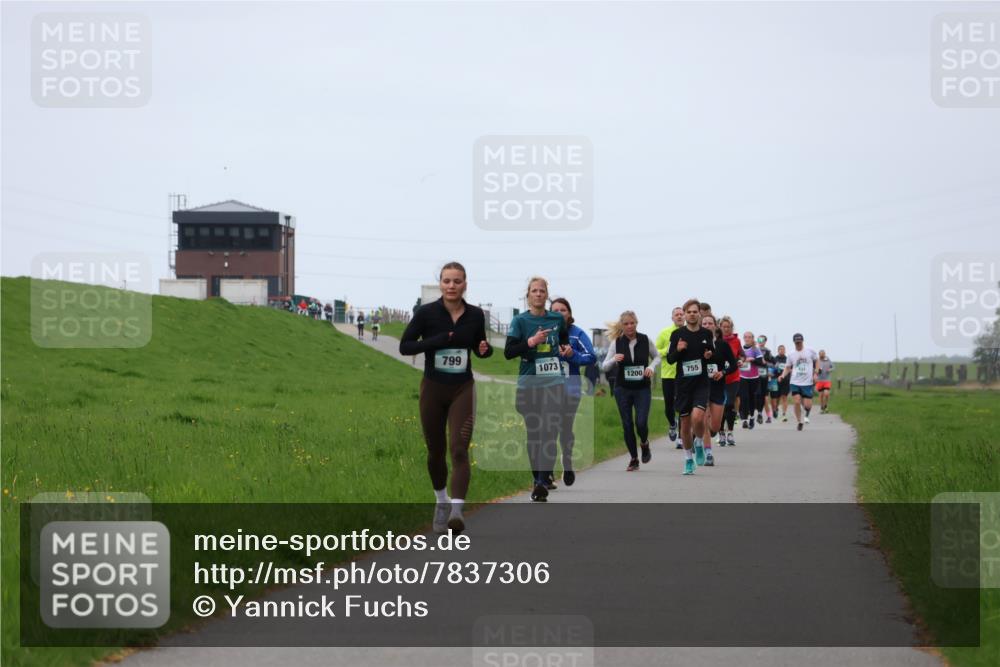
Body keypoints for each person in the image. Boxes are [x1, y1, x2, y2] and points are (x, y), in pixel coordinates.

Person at [399, 262, 492, 534]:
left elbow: (480, 346)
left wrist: (484, 349)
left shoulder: (475, 315)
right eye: (447, 281)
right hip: (433, 388)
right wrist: (436, 341)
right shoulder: (426, 313)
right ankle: (441, 501)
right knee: (436, 452)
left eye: (457, 281)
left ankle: (457, 511)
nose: (451, 286)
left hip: (462, 387)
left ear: (465, 284)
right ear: (440, 283)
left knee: (460, 449)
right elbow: (406, 346)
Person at [505, 277, 571, 502]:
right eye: (534, 291)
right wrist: (531, 343)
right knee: (535, 434)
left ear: (547, 294)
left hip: (554, 383)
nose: (538, 294)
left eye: (542, 291)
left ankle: (543, 481)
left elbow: (563, 339)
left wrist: (566, 349)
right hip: (528, 384)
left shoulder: (556, 319)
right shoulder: (519, 321)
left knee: (549, 431)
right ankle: (537, 479)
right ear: (528, 295)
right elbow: (509, 352)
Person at [602, 311, 660, 471]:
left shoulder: (645, 339)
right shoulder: (616, 343)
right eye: (626, 324)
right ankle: (634, 458)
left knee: (641, 422)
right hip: (623, 388)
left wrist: (650, 367)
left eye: (632, 323)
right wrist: (614, 360)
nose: (629, 326)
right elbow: (604, 365)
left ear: (636, 323)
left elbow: (657, 356)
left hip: (642, 388)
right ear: (622, 325)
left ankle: (644, 443)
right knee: (627, 424)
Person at [550, 297, 596, 486]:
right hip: (547, 388)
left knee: (565, 428)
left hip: (571, 389)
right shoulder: (543, 333)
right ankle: (547, 472)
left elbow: (591, 357)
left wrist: (572, 355)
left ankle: (567, 460)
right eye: (556, 310)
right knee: (548, 429)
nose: (560, 313)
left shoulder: (577, 334)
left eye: (563, 310)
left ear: (569, 314)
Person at [666, 299, 714, 475]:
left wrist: (709, 354)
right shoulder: (677, 335)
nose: (692, 314)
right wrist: (678, 350)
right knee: (685, 426)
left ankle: (699, 442)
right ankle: (688, 459)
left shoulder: (706, 334)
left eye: (695, 311)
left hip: (701, 383)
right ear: (684, 314)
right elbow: (670, 359)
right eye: (689, 312)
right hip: (683, 385)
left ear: (699, 314)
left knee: (698, 418)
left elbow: (712, 353)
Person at [702, 313, 737, 467]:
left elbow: (733, 364)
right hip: (701, 387)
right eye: (704, 323)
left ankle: (705, 433)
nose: (707, 326)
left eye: (710, 323)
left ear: (715, 326)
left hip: (718, 387)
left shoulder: (722, 344)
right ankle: (708, 453)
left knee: (715, 427)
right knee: (703, 419)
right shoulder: (697, 343)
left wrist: (722, 372)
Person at [655, 307, 683, 448]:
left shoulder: (687, 333)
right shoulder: (665, 333)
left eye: (681, 314)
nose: (679, 316)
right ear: (672, 317)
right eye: (676, 315)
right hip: (668, 374)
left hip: (683, 375)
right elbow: (655, 352)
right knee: (669, 406)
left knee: (682, 406)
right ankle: (672, 424)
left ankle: (681, 437)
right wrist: (667, 351)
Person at [780, 333, 820, 431]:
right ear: (794, 342)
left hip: (807, 383)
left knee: (807, 406)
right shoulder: (791, 354)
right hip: (795, 382)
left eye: (800, 342)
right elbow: (788, 367)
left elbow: (817, 361)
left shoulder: (810, 351)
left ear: (802, 341)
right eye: (797, 342)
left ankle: (805, 412)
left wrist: (815, 373)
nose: (798, 344)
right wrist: (782, 375)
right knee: (796, 401)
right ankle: (799, 421)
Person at [719, 316, 743, 447]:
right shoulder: (716, 340)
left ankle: (730, 432)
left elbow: (741, 354)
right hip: (719, 377)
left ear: (731, 328)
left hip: (733, 377)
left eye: (728, 327)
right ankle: (721, 432)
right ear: (720, 328)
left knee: (729, 404)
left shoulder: (736, 341)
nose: (726, 329)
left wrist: (740, 360)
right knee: (720, 406)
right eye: (724, 327)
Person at [738, 331, 764, 429]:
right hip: (742, 377)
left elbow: (761, 363)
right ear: (744, 338)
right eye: (746, 337)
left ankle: (752, 417)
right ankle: (744, 420)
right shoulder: (740, 349)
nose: (747, 339)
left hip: (754, 378)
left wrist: (752, 360)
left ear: (752, 338)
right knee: (744, 398)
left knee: (752, 398)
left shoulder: (755, 349)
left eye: (749, 337)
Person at [756, 335, 774, 424]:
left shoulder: (768, 352)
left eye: (762, 339)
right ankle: (755, 414)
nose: (760, 341)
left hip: (764, 378)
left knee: (765, 398)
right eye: (759, 339)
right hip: (754, 377)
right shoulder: (754, 350)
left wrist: (767, 365)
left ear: (765, 341)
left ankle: (769, 416)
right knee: (755, 396)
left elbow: (775, 363)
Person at [773, 344, 791, 421]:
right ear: (778, 350)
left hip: (786, 381)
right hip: (776, 381)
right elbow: (771, 369)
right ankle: (776, 408)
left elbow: (791, 369)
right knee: (777, 398)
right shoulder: (774, 359)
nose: (782, 350)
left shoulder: (788, 359)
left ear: (785, 350)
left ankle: (784, 414)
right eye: (780, 349)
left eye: (783, 349)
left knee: (784, 397)